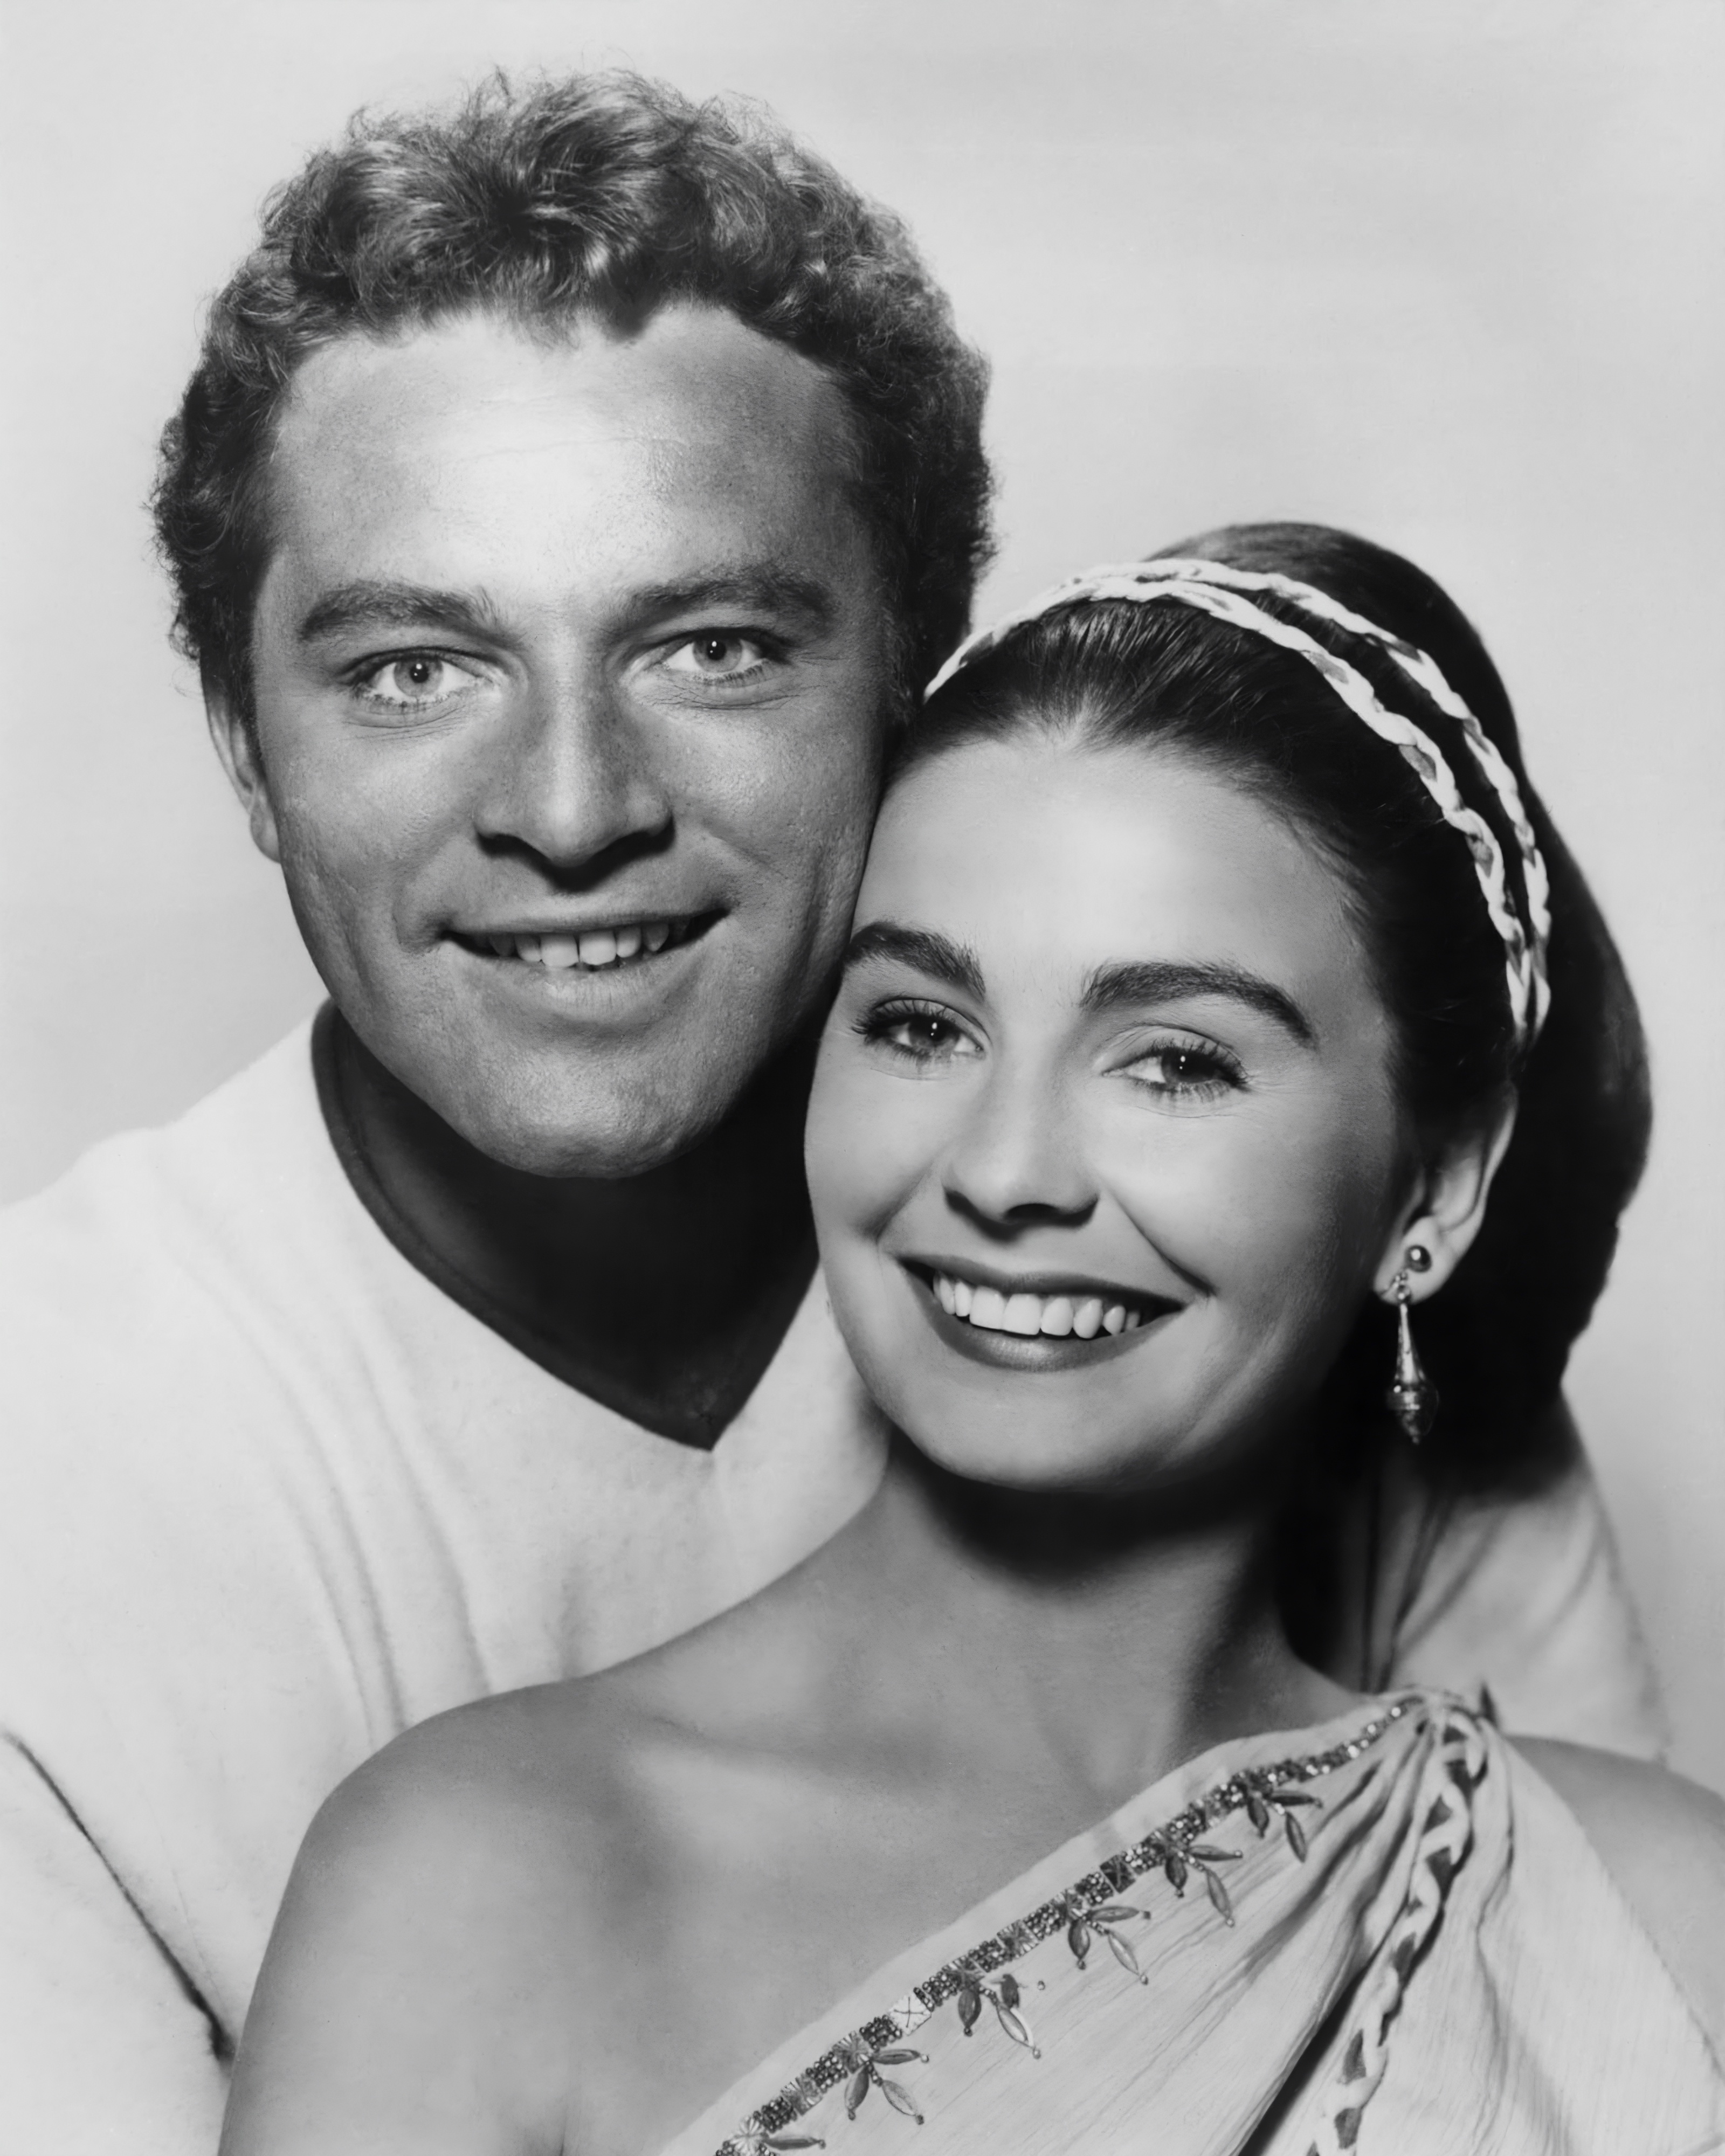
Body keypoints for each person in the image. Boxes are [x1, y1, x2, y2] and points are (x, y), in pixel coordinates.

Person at [0, 68, 1660, 2153]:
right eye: (415, 668)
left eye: (711, 647)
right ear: (247, 748)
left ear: (913, 692)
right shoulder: (52, 1490)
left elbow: (1561, 2018)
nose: (571, 812)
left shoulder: (1259, 1276)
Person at [221, 528, 1724, 2156]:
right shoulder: (484, 1891)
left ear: (1435, 1182)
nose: (1004, 1175)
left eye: (1175, 1062)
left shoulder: (1650, 1925)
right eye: (922, 1026)